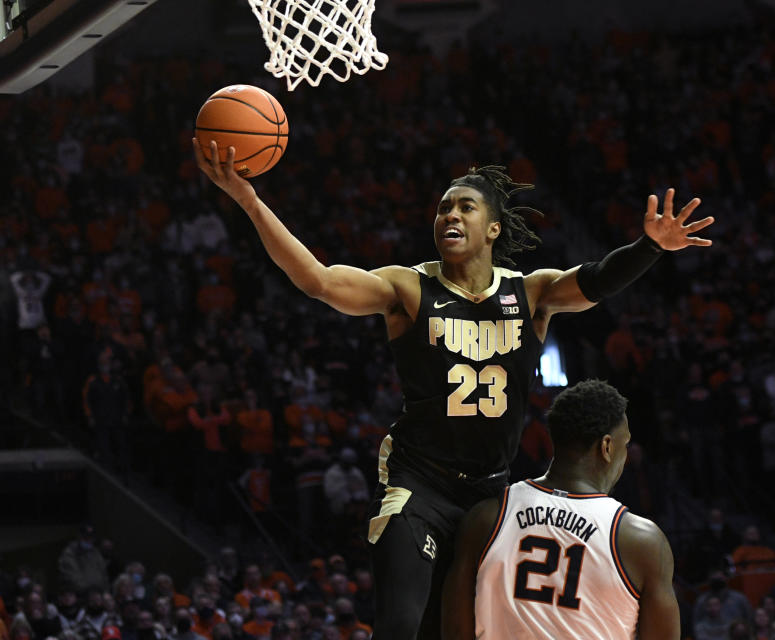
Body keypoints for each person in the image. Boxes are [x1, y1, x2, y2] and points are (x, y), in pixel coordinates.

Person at [195, 139, 714, 640]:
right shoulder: (408, 288)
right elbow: (319, 281)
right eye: (443, 208)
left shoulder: (531, 292)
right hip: (419, 484)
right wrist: (249, 200)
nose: (449, 216)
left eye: (464, 207)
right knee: (401, 624)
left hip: (490, 494)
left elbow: (597, 279)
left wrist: (650, 246)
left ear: (491, 228)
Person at [441, 380, 679, 639]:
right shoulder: (642, 541)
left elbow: (454, 631)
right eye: (625, 445)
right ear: (607, 447)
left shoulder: (488, 517)